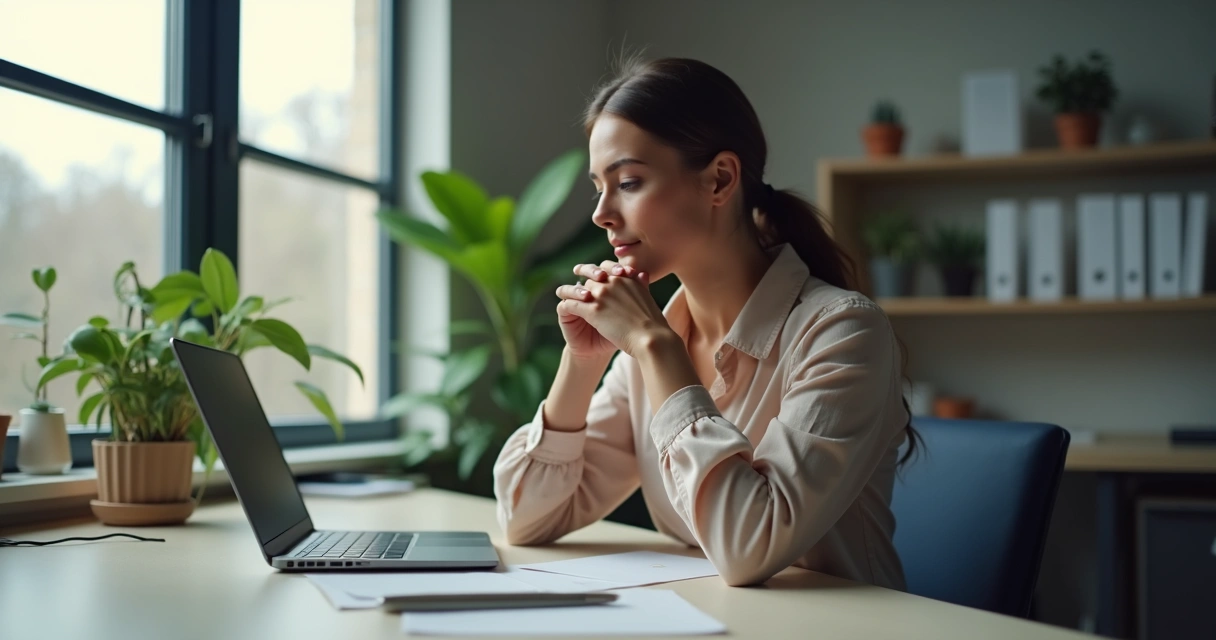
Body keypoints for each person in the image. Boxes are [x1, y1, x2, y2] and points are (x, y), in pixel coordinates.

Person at [492, 56, 917, 589]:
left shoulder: (842, 334)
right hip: (705, 617)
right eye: (598, 186)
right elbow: (525, 519)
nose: (601, 213)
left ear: (720, 179)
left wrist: (655, 347)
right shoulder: (650, 345)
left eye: (628, 182)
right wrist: (582, 363)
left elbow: (748, 547)